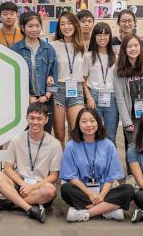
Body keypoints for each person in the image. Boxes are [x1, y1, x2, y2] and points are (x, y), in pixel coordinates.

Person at [60, 109, 134, 222]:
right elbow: (71, 177)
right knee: (66, 189)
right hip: (83, 191)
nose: (88, 125)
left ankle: (85, 213)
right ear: (78, 124)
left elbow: (110, 178)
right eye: (84, 121)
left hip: (104, 190)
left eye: (92, 121)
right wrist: (90, 194)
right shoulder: (71, 146)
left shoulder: (108, 145)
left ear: (98, 123)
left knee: (128, 190)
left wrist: (101, 196)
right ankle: (108, 209)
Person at [0, 103, 61, 223]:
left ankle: (12, 203)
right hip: (20, 183)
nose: (35, 122)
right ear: (27, 118)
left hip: (40, 186)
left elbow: (54, 176)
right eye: (32, 118)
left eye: (39, 119)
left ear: (46, 119)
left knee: (50, 191)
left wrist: (32, 187)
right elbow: (7, 168)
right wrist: (24, 185)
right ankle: (29, 208)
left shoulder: (55, 144)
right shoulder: (17, 140)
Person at [113, 34, 143, 174]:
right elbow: (119, 96)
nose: (133, 49)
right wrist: (126, 121)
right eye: (129, 46)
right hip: (130, 116)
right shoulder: (118, 68)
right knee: (133, 147)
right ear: (124, 49)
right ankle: (134, 177)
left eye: (136, 45)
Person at [12, 12, 57, 133]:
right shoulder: (15, 49)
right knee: (24, 137)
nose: (34, 29)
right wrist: (27, 97)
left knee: (45, 135)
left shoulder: (48, 49)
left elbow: (54, 75)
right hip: (23, 101)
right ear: (22, 27)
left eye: (37, 26)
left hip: (45, 100)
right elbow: (12, 78)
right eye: (30, 26)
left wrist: (47, 95)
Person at [51, 12, 86, 147]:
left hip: (76, 90)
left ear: (76, 25)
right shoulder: (53, 46)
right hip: (58, 89)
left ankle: (74, 164)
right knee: (59, 134)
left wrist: (87, 95)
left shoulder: (82, 46)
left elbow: (84, 75)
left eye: (70, 23)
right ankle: (61, 166)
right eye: (62, 24)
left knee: (76, 132)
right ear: (59, 27)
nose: (66, 27)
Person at [83, 22, 119, 144]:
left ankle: (109, 163)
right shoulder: (88, 56)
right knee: (92, 133)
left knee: (110, 136)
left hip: (112, 97)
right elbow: (83, 79)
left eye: (105, 34)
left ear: (110, 36)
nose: (102, 38)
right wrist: (88, 97)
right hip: (94, 96)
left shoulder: (116, 57)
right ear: (94, 37)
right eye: (99, 35)